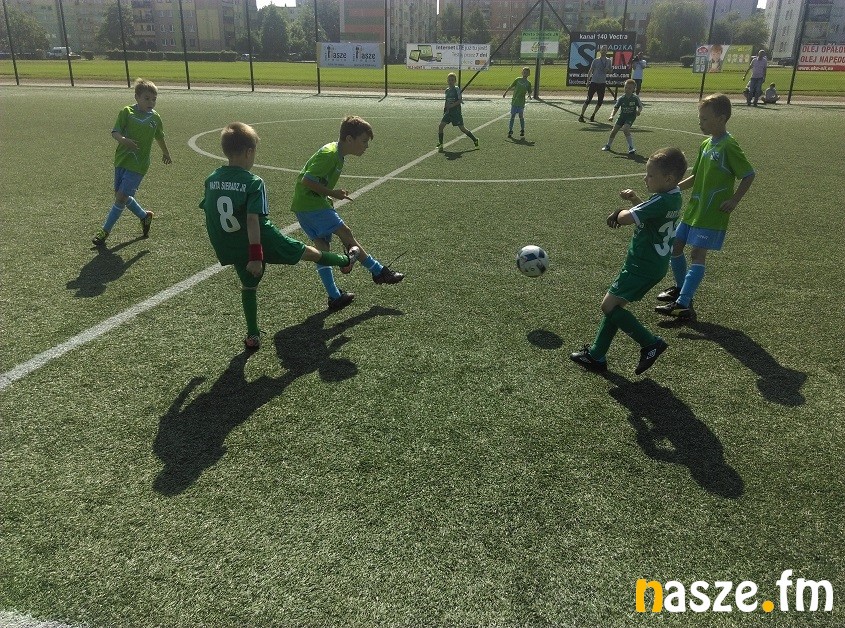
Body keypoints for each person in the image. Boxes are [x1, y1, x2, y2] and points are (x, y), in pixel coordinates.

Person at [200, 122, 360, 350]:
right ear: (249, 152)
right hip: (261, 240)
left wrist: (225, 244)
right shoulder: (253, 182)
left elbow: (209, 211)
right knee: (306, 252)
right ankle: (346, 260)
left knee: (248, 286)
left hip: (230, 243)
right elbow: (253, 220)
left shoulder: (212, 178)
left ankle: (252, 334)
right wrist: (256, 255)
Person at [570, 147, 688, 375]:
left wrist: (618, 212)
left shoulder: (661, 200)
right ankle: (596, 354)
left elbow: (627, 218)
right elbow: (651, 215)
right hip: (654, 265)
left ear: (668, 178)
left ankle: (650, 343)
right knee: (616, 307)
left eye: (650, 175)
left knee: (608, 306)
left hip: (641, 265)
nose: (645, 179)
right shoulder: (673, 198)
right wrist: (635, 199)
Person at [655, 94, 755, 321]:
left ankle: (682, 304)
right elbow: (696, 176)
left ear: (721, 119)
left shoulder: (729, 145)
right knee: (675, 246)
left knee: (697, 254)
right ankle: (682, 289)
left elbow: (748, 174)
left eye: (705, 119)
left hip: (712, 211)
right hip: (695, 209)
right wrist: (672, 189)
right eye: (700, 118)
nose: (700, 122)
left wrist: (735, 200)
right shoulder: (705, 144)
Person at [293, 115, 404, 312]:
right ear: (349, 139)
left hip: (305, 206)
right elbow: (307, 181)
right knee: (345, 233)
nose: (366, 146)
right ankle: (378, 271)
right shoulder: (330, 154)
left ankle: (335, 296)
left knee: (323, 248)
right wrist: (333, 193)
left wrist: (329, 196)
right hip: (311, 204)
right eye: (364, 141)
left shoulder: (337, 154)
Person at [93, 78, 172, 245]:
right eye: (147, 98)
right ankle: (144, 216)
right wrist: (124, 140)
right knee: (120, 195)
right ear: (137, 97)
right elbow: (115, 132)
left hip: (139, 164)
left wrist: (166, 153)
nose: (151, 102)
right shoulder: (126, 112)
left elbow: (159, 137)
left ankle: (104, 231)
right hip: (122, 159)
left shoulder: (155, 118)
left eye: (154, 99)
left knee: (121, 197)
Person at [437, 72, 479, 151]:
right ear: (447, 81)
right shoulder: (447, 90)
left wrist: (451, 106)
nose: (450, 81)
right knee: (441, 126)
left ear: (455, 81)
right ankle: (440, 144)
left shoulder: (457, 89)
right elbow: (446, 101)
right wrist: (445, 109)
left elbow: (460, 100)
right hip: (448, 113)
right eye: (449, 80)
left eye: (452, 80)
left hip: (456, 113)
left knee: (462, 129)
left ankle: (475, 140)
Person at [602, 78, 643, 155]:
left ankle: (631, 147)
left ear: (633, 89)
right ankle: (608, 145)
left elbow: (640, 106)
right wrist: (611, 116)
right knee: (614, 131)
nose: (627, 89)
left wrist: (638, 111)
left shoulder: (635, 98)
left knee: (625, 129)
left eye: (629, 88)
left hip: (630, 117)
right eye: (626, 87)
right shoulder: (621, 98)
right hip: (622, 117)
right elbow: (616, 108)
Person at [579, 45, 613, 123]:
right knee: (588, 99)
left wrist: (608, 70)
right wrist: (588, 81)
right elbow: (590, 70)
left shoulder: (609, 61)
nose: (603, 51)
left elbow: (610, 71)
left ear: (607, 51)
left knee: (600, 101)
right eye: (602, 50)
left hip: (602, 83)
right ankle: (581, 115)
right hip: (594, 82)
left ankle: (593, 115)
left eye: (605, 50)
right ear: (600, 51)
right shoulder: (595, 60)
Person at [503, 67, 532, 139]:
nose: (525, 73)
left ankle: (522, 130)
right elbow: (511, 86)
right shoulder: (518, 80)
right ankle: (510, 130)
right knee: (512, 116)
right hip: (514, 101)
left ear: (529, 74)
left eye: (526, 72)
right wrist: (505, 92)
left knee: (521, 116)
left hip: (521, 102)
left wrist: (529, 95)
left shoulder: (528, 83)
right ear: (522, 72)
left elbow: (529, 91)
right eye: (524, 72)